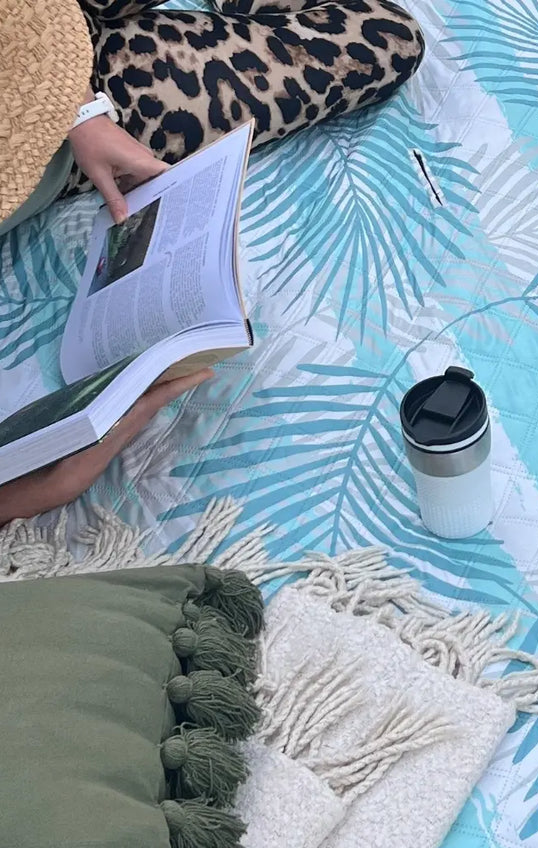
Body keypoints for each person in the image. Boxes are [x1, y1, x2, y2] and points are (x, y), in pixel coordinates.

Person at [0, 0, 424, 524]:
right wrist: (41, 490)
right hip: (87, 99)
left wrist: (75, 108)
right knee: (385, 40)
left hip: (38, 60)